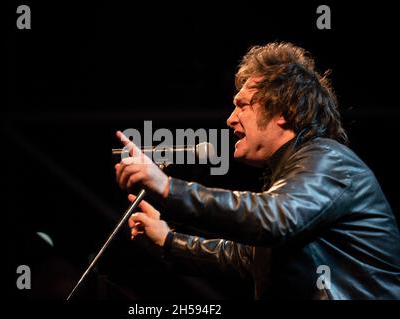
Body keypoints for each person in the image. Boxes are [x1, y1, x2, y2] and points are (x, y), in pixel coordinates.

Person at [114, 42, 400, 299]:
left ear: (284, 112)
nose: (230, 119)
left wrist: (168, 189)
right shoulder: (293, 174)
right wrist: (168, 240)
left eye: (242, 106)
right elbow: (246, 257)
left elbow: (272, 217)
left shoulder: (329, 160)